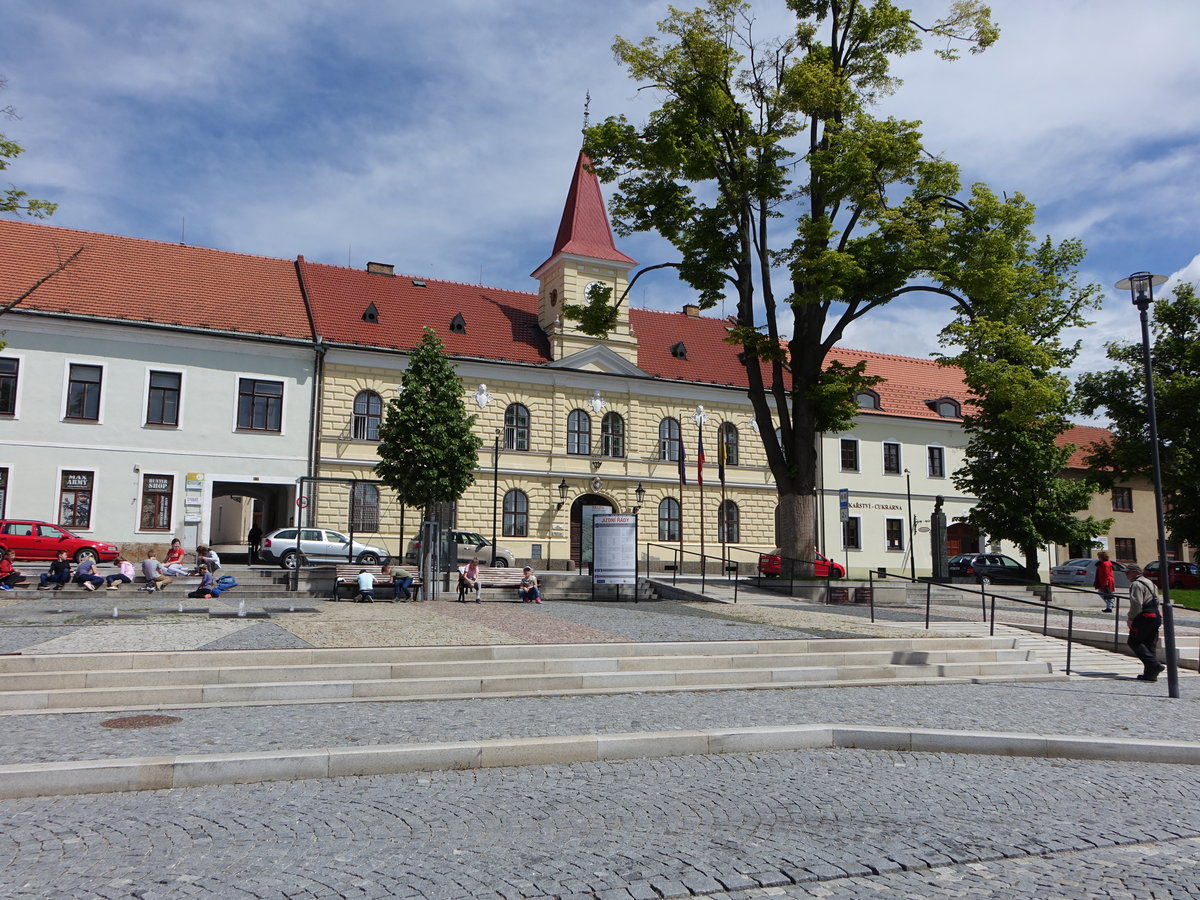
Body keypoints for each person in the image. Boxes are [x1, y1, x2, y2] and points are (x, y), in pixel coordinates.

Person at [1126, 564, 1165, 682]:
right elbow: (1157, 600)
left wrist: (1131, 618)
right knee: (1150, 644)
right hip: (1155, 615)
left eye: (1127, 573)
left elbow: (1137, 603)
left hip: (1144, 616)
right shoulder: (1151, 583)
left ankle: (1154, 665)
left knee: (1134, 641)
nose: (1126, 575)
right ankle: (1150, 674)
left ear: (1135, 572)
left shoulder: (1136, 584)